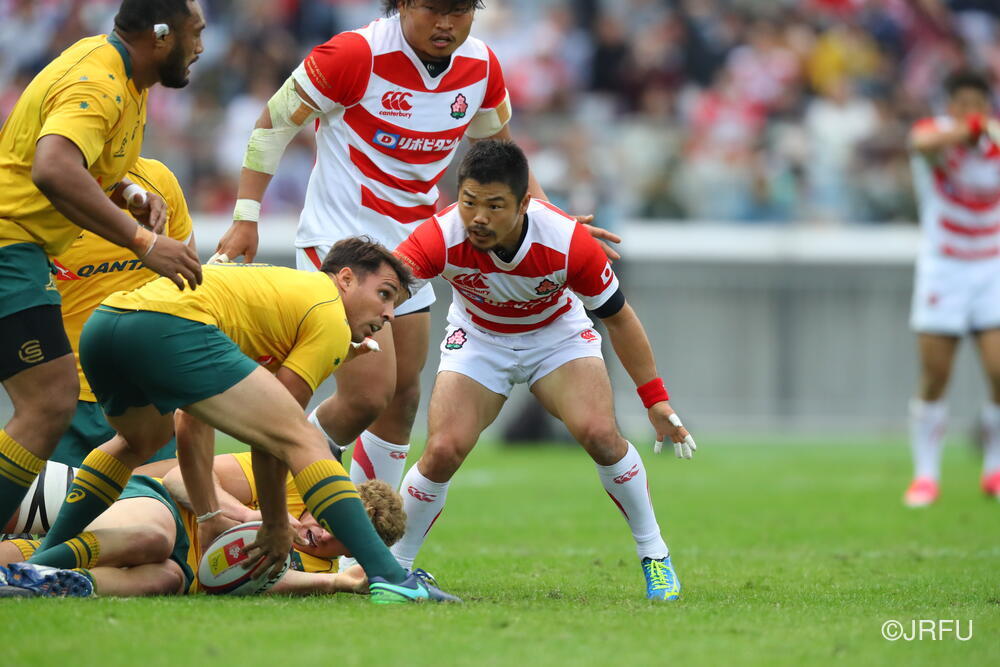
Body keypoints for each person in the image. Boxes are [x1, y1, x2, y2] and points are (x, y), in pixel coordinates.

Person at [213, 0, 619, 498]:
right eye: (433, 9)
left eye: (460, 10)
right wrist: (245, 216)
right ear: (403, 3)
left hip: (415, 252)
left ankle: (361, 544)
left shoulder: (482, 66)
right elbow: (273, 122)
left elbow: (502, 159)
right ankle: (256, 488)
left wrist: (553, 221)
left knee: (403, 399)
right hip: (341, 244)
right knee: (367, 396)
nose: (446, 24)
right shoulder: (354, 54)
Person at [27, 237, 458, 604]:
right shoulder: (327, 310)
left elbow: (190, 422)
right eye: (385, 295)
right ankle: (392, 578)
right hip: (166, 327)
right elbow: (278, 434)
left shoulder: (278, 306)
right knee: (304, 439)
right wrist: (272, 525)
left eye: (395, 306)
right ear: (344, 278)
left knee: (137, 441)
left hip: (108, 324)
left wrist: (213, 512)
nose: (388, 316)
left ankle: (38, 565)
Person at [390, 140, 697, 601]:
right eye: (470, 201)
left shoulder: (566, 242)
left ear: (524, 204)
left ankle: (655, 555)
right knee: (443, 449)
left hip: (556, 337)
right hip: (479, 339)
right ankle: (395, 573)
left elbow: (620, 318)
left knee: (600, 435)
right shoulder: (438, 235)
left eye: (495, 206)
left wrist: (654, 399)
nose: (478, 217)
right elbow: (385, 282)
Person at [0, 0, 204, 533]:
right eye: (194, 33)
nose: (201, 46)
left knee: (48, 401)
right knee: (49, 403)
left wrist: (128, 191)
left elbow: (79, 157)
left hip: (21, 247)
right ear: (161, 36)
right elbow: (51, 166)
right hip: (8, 243)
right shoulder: (100, 82)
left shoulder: (119, 77)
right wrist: (142, 240)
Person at [0, 454, 405, 597]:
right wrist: (245, 515)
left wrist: (339, 582)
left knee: (167, 578)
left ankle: (55, 581)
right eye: (333, 520)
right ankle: (45, 564)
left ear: (351, 552)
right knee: (154, 539)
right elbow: (179, 478)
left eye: (342, 540)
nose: (327, 534)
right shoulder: (290, 484)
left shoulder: (318, 570)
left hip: (173, 566)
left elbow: (259, 583)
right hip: (156, 509)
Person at [50, 156, 197, 467]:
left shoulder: (158, 178)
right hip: (64, 400)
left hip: (149, 396)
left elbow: (189, 285)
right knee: (55, 514)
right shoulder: (40, 187)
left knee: (150, 511)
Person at [905, 69, 1000, 506]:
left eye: (975, 106)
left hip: (990, 266)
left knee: (998, 371)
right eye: (960, 106)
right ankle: (926, 475)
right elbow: (920, 144)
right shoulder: (936, 136)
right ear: (950, 107)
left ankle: (994, 469)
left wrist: (987, 132)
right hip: (944, 268)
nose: (969, 114)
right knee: (936, 374)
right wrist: (966, 131)